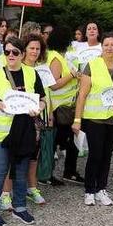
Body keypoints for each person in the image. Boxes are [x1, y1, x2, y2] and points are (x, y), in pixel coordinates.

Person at [0, 36, 46, 226]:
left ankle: (20, 207)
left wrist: (39, 108)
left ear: (22, 54)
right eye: (7, 52)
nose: (10, 55)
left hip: (23, 130)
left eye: (15, 52)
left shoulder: (32, 74)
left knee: (20, 169)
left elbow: (41, 98)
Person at [73, 32, 113, 207]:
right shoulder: (92, 65)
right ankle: (89, 190)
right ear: (101, 46)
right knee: (95, 154)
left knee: (107, 155)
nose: (109, 48)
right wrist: (77, 119)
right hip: (95, 119)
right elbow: (82, 94)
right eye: (106, 44)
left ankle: (101, 189)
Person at [0, 34, 48, 208]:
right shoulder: (12, 68)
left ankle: (31, 188)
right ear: (23, 51)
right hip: (12, 122)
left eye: (37, 48)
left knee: (32, 156)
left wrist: (42, 109)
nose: (34, 51)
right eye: (31, 48)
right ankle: (6, 193)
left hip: (33, 119)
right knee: (12, 158)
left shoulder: (38, 70)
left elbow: (43, 97)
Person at [43, 26, 83, 186]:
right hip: (60, 107)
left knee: (64, 140)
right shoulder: (55, 58)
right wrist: (72, 75)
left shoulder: (59, 55)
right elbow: (53, 84)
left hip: (64, 106)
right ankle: (52, 173)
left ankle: (63, 172)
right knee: (59, 141)